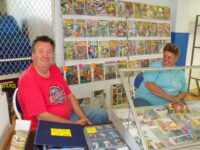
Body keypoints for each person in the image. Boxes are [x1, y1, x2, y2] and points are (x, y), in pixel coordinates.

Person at [18, 36, 109, 130]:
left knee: (102, 114)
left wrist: (83, 117)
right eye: (41, 51)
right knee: (76, 142)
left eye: (49, 51)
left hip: (69, 117)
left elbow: (69, 95)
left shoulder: (54, 69)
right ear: (33, 55)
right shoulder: (28, 79)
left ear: (53, 55)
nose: (46, 55)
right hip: (46, 127)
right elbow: (42, 116)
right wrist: (73, 125)